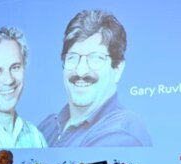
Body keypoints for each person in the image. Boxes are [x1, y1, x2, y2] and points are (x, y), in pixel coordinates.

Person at [39, 10, 152, 147]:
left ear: (117, 69)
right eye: (72, 57)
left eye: (95, 58)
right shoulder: (48, 125)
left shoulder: (122, 132)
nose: (81, 71)